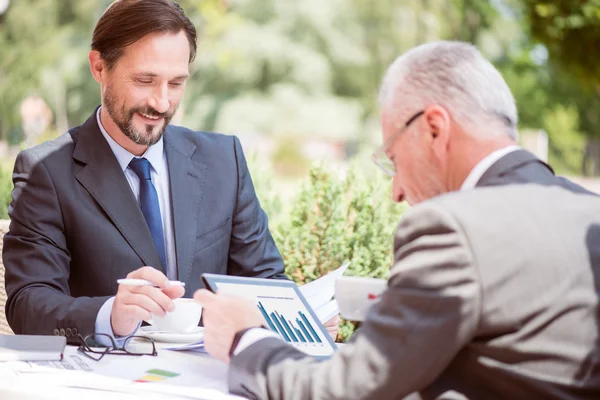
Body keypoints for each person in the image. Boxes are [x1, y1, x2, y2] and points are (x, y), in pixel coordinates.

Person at [195, 41, 600, 399]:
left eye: (394, 159)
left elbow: (343, 390)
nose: (396, 191)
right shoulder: (588, 213)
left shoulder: (454, 227)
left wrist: (247, 339)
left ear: (435, 129)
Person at [2, 0, 338, 344]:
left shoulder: (225, 161)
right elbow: (28, 305)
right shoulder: (46, 171)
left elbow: (266, 282)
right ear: (99, 67)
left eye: (176, 83)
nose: (161, 103)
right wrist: (110, 315)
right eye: (145, 80)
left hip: (212, 379)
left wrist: (304, 320)